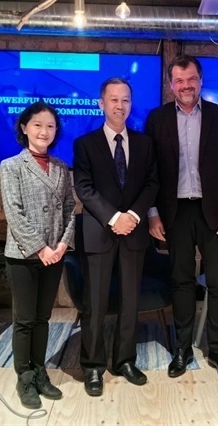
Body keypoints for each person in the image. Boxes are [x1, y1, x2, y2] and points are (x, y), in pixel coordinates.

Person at [145, 54, 218, 383]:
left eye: (191, 79)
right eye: (179, 81)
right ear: (171, 84)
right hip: (175, 213)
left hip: (214, 213)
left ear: (200, 81)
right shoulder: (157, 118)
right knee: (182, 282)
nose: (186, 86)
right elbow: (150, 171)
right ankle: (182, 348)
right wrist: (153, 213)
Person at [73, 77, 159, 397]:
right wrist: (114, 218)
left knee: (129, 301)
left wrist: (132, 216)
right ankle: (93, 365)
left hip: (133, 233)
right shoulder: (85, 144)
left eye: (125, 100)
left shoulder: (145, 144)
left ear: (131, 104)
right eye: (113, 99)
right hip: (99, 232)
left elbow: (152, 184)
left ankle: (124, 360)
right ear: (101, 104)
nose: (119, 105)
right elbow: (84, 188)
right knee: (94, 303)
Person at [0, 101, 75, 409]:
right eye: (38, 125)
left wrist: (62, 245)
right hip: (24, 255)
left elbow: (70, 209)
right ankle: (25, 377)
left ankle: (40, 371)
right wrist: (40, 248)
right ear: (24, 127)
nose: (45, 131)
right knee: (25, 319)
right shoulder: (11, 166)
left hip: (55, 254)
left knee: (43, 317)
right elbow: (14, 213)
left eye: (51, 126)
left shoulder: (61, 167)